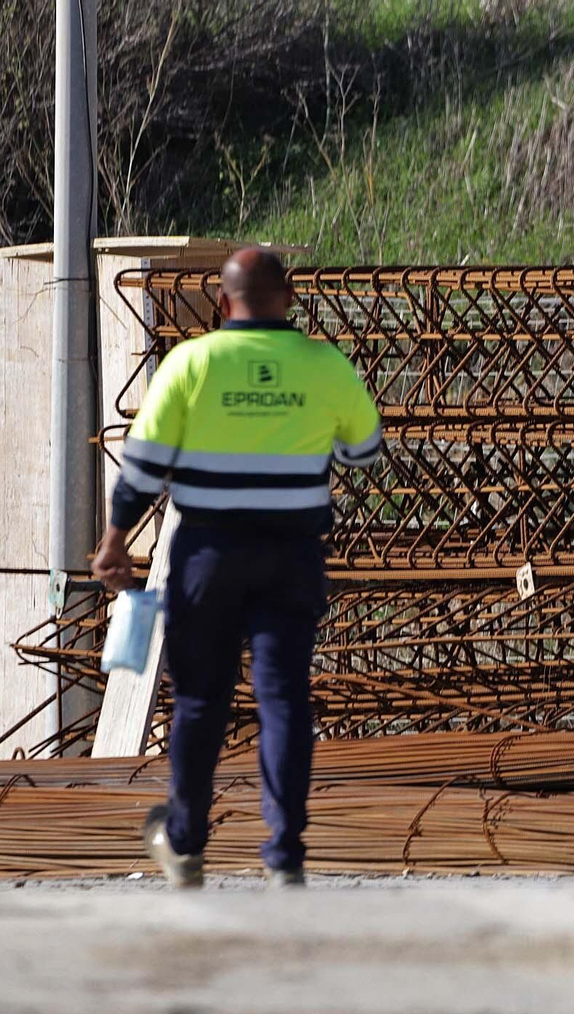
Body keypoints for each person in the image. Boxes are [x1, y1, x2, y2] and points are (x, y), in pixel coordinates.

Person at [91, 247, 381, 889]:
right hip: (291, 556)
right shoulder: (324, 364)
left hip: (208, 557)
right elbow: (364, 450)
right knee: (283, 699)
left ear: (223, 304)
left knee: (200, 701)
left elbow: (142, 467)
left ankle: (188, 846)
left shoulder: (191, 363)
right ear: (289, 300)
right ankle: (284, 857)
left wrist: (115, 541)